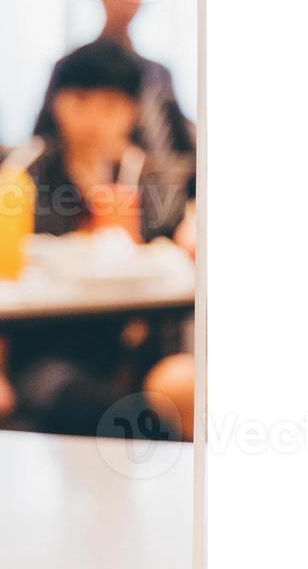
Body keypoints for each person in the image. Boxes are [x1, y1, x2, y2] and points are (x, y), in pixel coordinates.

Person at [4, 41, 194, 438]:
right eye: (79, 101)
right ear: (56, 104)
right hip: (48, 349)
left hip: (138, 346)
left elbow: (175, 257)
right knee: (99, 409)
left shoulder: (154, 180)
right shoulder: (24, 176)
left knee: (183, 389)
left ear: (132, 110)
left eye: (109, 105)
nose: (92, 118)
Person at [34, 0, 195, 234]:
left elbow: (184, 152)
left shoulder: (158, 75)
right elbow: (40, 143)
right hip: (67, 213)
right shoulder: (71, 69)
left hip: (149, 218)